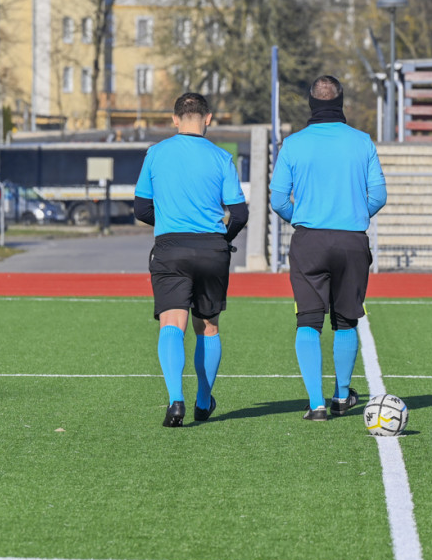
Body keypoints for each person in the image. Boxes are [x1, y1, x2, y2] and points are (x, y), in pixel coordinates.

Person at [269, 75, 387, 421]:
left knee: (308, 319)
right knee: (345, 319)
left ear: (311, 103)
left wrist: (300, 218)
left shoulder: (293, 144)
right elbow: (378, 195)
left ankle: (316, 403)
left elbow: (277, 199)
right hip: (351, 239)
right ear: (341, 102)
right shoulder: (362, 141)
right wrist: (352, 216)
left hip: (310, 239)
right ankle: (340, 395)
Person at [133, 92, 249, 427]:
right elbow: (239, 214)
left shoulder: (156, 154)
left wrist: (171, 222)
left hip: (171, 248)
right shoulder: (221, 157)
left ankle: (175, 402)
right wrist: (221, 240)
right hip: (212, 250)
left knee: (173, 323)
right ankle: (202, 400)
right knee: (208, 326)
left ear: (174, 119)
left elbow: (141, 209)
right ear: (208, 118)